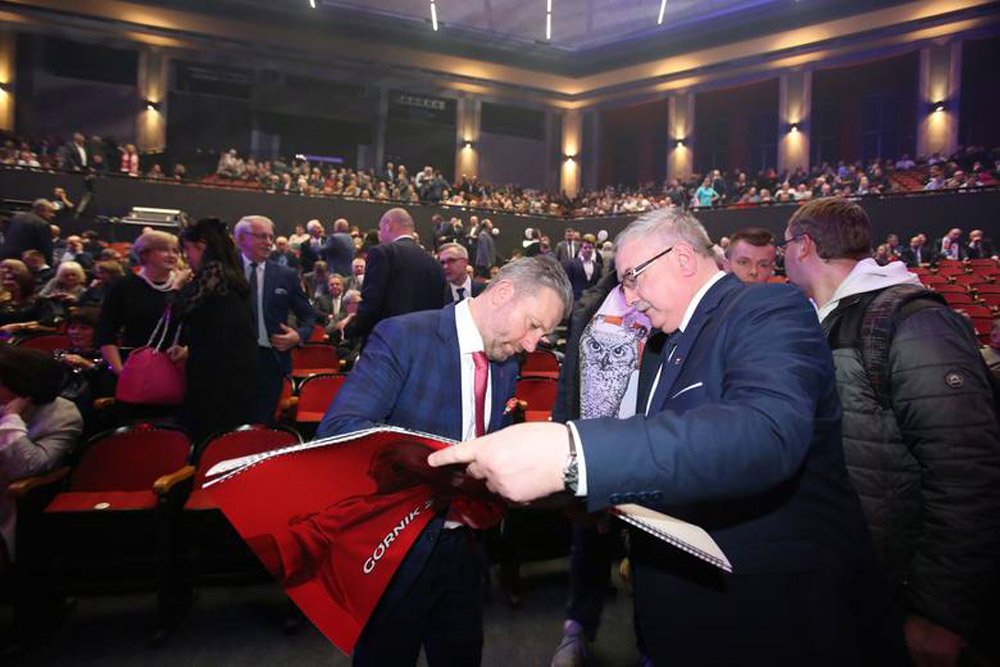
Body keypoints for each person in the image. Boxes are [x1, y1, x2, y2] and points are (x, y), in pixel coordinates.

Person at [430, 208, 893, 665]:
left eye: (633, 278)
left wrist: (576, 453)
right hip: (684, 617)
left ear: (683, 258)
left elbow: (765, 431)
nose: (628, 298)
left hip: (767, 619)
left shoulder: (768, 309)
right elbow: (667, 453)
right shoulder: (664, 341)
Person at [318, 255, 572, 667]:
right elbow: (339, 431)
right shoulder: (404, 336)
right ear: (503, 293)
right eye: (533, 325)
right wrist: (446, 469)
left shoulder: (506, 358)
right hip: (398, 549)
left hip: (466, 550)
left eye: (542, 334)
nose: (532, 344)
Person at [781, 197, 1000, 666]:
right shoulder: (825, 318)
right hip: (849, 576)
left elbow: (966, 471)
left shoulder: (913, 320)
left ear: (804, 246)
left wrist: (940, 612)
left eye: (784, 245)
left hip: (901, 592)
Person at [550, 269, 651, 667]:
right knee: (588, 545)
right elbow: (568, 381)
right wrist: (562, 440)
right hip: (593, 446)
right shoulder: (591, 305)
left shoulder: (668, 303)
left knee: (651, 553)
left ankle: (651, 645)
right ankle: (576, 630)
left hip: (648, 447)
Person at [172, 218, 258, 444]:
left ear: (201, 246)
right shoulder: (232, 273)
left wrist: (177, 286)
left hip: (216, 371)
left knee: (210, 430)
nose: (186, 257)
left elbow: (180, 309)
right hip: (234, 367)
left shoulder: (213, 271)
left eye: (187, 250)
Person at [0, 346, 83, 567]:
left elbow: (29, 466)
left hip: (21, 497)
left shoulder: (63, 415)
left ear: (21, 387)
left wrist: (11, 418)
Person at [234, 215, 315, 424]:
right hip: (230, 361)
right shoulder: (224, 271)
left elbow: (308, 315)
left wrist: (298, 336)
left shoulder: (285, 275)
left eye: (271, 236)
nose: (268, 242)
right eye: (261, 236)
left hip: (271, 360)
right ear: (241, 238)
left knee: (263, 423)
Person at [345, 208, 446, 347]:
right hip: (421, 346)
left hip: (386, 344)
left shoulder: (382, 253)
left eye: (380, 229)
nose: (380, 235)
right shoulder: (434, 264)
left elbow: (372, 303)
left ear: (388, 225)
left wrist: (349, 328)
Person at [95, 231, 180, 379]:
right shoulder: (124, 286)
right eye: (164, 249)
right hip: (136, 367)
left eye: (175, 251)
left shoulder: (187, 285)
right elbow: (106, 332)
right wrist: (120, 371)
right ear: (144, 254)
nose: (172, 255)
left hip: (178, 367)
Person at [0, 259, 58, 336]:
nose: (6, 282)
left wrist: (19, 326)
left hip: (30, 339)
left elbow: (49, 322)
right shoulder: (3, 302)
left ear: (22, 279)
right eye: (4, 279)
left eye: (11, 279)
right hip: (5, 339)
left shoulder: (39, 301)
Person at [1, 199, 55, 264]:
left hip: (5, 258)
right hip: (25, 262)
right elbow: (46, 250)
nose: (53, 215)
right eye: (51, 211)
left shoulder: (16, 217)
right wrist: (49, 266)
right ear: (41, 210)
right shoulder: (42, 224)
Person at [563, 234, 603, 301]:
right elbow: (567, 283)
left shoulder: (597, 266)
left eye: (590, 248)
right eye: (585, 248)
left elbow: (598, 284)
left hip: (592, 301)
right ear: (581, 249)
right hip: (576, 300)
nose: (588, 250)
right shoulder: (572, 264)